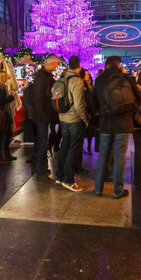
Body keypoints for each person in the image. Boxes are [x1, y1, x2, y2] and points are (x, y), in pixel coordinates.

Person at [93, 56, 141, 199]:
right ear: (119, 65)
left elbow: (93, 102)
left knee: (103, 155)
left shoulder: (100, 80)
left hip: (106, 122)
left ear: (106, 65)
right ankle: (117, 190)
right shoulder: (127, 79)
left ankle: (98, 188)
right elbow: (138, 98)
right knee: (120, 157)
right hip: (124, 123)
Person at [55, 56, 89, 191]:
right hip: (74, 119)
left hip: (62, 118)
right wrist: (85, 118)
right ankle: (68, 180)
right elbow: (79, 104)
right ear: (79, 67)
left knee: (64, 146)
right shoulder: (77, 81)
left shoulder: (61, 79)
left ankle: (60, 176)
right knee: (73, 148)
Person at [31, 54, 59, 183]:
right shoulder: (41, 77)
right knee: (42, 143)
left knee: (44, 143)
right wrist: (44, 115)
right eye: (56, 63)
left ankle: (42, 169)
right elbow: (38, 98)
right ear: (51, 63)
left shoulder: (46, 76)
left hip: (44, 115)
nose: (57, 65)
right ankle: (41, 171)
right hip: (42, 116)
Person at [0, 70, 16, 166]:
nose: (6, 78)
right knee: (2, 135)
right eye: (4, 76)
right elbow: (0, 101)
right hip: (1, 113)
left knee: (8, 133)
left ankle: (6, 153)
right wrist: (10, 98)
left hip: (4, 113)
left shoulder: (2, 87)